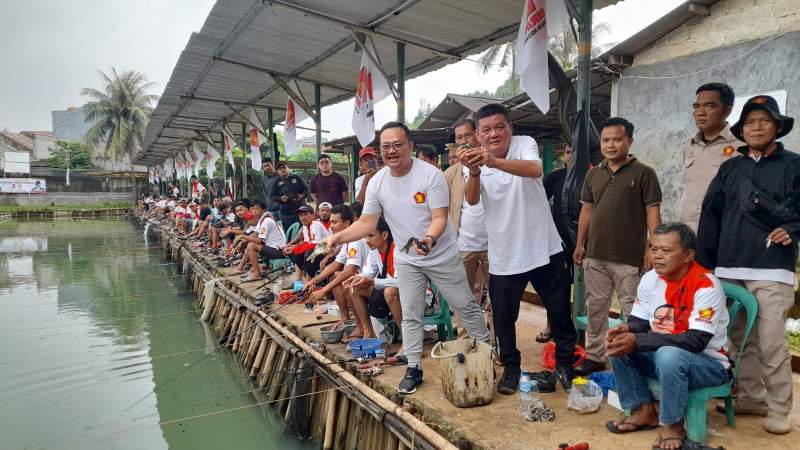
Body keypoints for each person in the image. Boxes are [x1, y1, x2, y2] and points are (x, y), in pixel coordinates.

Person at [324, 121, 490, 395]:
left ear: (410, 146)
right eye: (386, 146)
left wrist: (428, 239)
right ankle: (414, 367)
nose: (391, 151)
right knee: (411, 314)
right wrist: (337, 238)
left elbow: (440, 217)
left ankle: (486, 351)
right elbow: (367, 222)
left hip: (442, 255)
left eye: (397, 145)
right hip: (407, 259)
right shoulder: (377, 182)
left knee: (465, 306)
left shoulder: (430, 175)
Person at [697, 94, 797, 435]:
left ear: (777, 127)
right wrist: (705, 264)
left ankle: (781, 408)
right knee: (739, 339)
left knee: (771, 341)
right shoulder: (731, 167)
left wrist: (793, 229)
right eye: (750, 122)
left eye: (764, 121)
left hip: (772, 268)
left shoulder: (794, 165)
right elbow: (710, 216)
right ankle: (752, 397)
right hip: (729, 267)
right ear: (742, 129)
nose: (756, 127)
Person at [461, 103, 576, 393]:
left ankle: (565, 364)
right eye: (486, 129)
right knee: (503, 318)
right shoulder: (473, 163)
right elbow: (472, 200)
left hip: (544, 248)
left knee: (560, 311)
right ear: (477, 134)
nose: (494, 133)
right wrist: (474, 172)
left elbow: (535, 170)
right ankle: (511, 368)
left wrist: (493, 162)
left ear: (510, 128)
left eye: (500, 127)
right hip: (504, 253)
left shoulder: (525, 144)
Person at [605, 223, 730, 450]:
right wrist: (627, 329)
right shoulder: (651, 278)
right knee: (619, 344)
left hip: (709, 365)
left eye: (667, 251)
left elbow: (696, 341)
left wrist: (639, 340)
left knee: (668, 355)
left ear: (688, 255)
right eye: (654, 249)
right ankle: (644, 410)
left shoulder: (706, 286)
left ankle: (674, 425)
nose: (658, 256)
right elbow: (640, 322)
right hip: (667, 358)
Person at [573, 117, 663, 377]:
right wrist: (580, 244)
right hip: (595, 256)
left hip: (629, 258)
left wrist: (652, 247)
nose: (610, 145)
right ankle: (595, 356)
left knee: (633, 311)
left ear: (629, 141)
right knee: (597, 309)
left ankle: (635, 359)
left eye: (617, 139)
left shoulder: (644, 173)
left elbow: (653, 212)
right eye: (605, 140)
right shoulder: (593, 173)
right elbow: (587, 211)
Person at [679, 83, 743, 232]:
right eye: (696, 106)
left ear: (727, 111)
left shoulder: (742, 146)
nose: (700, 112)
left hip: (723, 230)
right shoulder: (689, 145)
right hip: (688, 230)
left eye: (710, 106)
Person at [443, 118, 489, 314]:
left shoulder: (493, 165)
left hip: (494, 245)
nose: (463, 140)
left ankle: (497, 341)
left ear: (477, 136)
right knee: (464, 300)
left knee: (499, 298)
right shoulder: (450, 174)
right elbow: (441, 211)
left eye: (467, 135)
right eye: (458, 137)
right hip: (463, 247)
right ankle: (466, 342)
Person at [303, 205, 369, 334]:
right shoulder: (346, 240)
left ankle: (362, 327)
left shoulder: (355, 240)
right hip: (361, 277)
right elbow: (337, 264)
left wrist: (323, 290)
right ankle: (346, 319)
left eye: (334, 222)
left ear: (347, 223)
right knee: (335, 277)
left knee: (346, 281)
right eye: (331, 222)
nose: (331, 226)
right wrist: (313, 281)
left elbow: (349, 270)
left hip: (369, 279)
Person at [538, 143, 574, 343]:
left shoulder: (592, 176)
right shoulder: (555, 177)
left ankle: (580, 330)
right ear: (563, 154)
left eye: (576, 151)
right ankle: (551, 327)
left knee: (588, 291)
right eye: (568, 151)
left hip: (585, 244)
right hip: (558, 244)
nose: (571, 155)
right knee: (557, 290)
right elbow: (539, 203)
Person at [344, 216, 400, 339]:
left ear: (385, 235)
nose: (367, 240)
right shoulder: (375, 250)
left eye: (371, 236)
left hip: (413, 295)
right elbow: (367, 272)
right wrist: (356, 279)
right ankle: (368, 333)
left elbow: (401, 283)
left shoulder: (397, 250)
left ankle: (408, 341)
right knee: (355, 288)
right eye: (366, 236)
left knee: (389, 291)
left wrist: (372, 281)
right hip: (389, 291)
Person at [230, 200, 286, 282]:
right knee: (249, 243)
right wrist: (242, 241)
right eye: (252, 209)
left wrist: (242, 237)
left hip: (279, 251)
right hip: (271, 248)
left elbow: (259, 240)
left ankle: (256, 273)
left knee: (251, 245)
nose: (254, 211)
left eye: (256, 209)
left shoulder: (266, 221)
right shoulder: (261, 220)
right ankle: (241, 268)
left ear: (263, 210)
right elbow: (255, 235)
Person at [284, 204, 331, 279]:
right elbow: (306, 243)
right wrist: (294, 248)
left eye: (306, 214)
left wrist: (295, 248)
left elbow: (316, 245)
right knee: (298, 252)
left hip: (328, 249)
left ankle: (308, 281)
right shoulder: (305, 226)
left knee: (310, 252)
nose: (303, 217)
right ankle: (298, 280)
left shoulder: (315, 224)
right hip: (321, 248)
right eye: (301, 215)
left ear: (313, 215)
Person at [270, 162, 308, 231]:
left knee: (301, 232)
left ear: (288, 168)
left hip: (300, 212)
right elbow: (272, 196)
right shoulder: (277, 182)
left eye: (284, 167)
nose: (282, 170)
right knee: (288, 233)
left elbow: (306, 190)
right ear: (278, 171)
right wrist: (280, 198)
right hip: (285, 213)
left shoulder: (297, 177)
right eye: (280, 169)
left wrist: (302, 196)